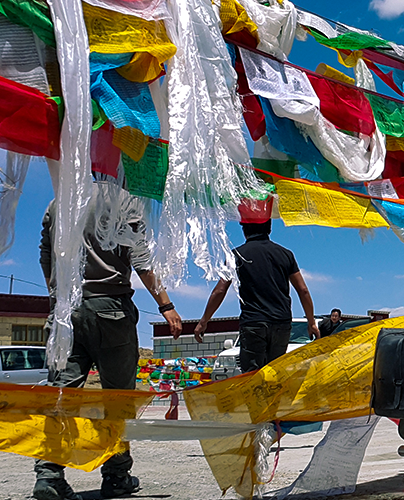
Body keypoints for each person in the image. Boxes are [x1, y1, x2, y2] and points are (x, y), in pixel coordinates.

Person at [34, 196, 181, 500]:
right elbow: (141, 261)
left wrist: (58, 298)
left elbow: (45, 257)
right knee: (118, 399)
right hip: (110, 310)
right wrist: (165, 305)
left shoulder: (57, 202)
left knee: (61, 395)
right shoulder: (124, 202)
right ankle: (116, 475)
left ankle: (49, 475)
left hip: (65, 311)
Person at [191, 218, 318, 372]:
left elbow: (220, 290)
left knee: (252, 376)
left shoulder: (236, 255)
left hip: (253, 323)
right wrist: (311, 322)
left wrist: (204, 321)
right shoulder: (286, 254)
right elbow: (303, 290)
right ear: (269, 229)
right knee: (275, 373)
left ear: (244, 230)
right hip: (281, 323)